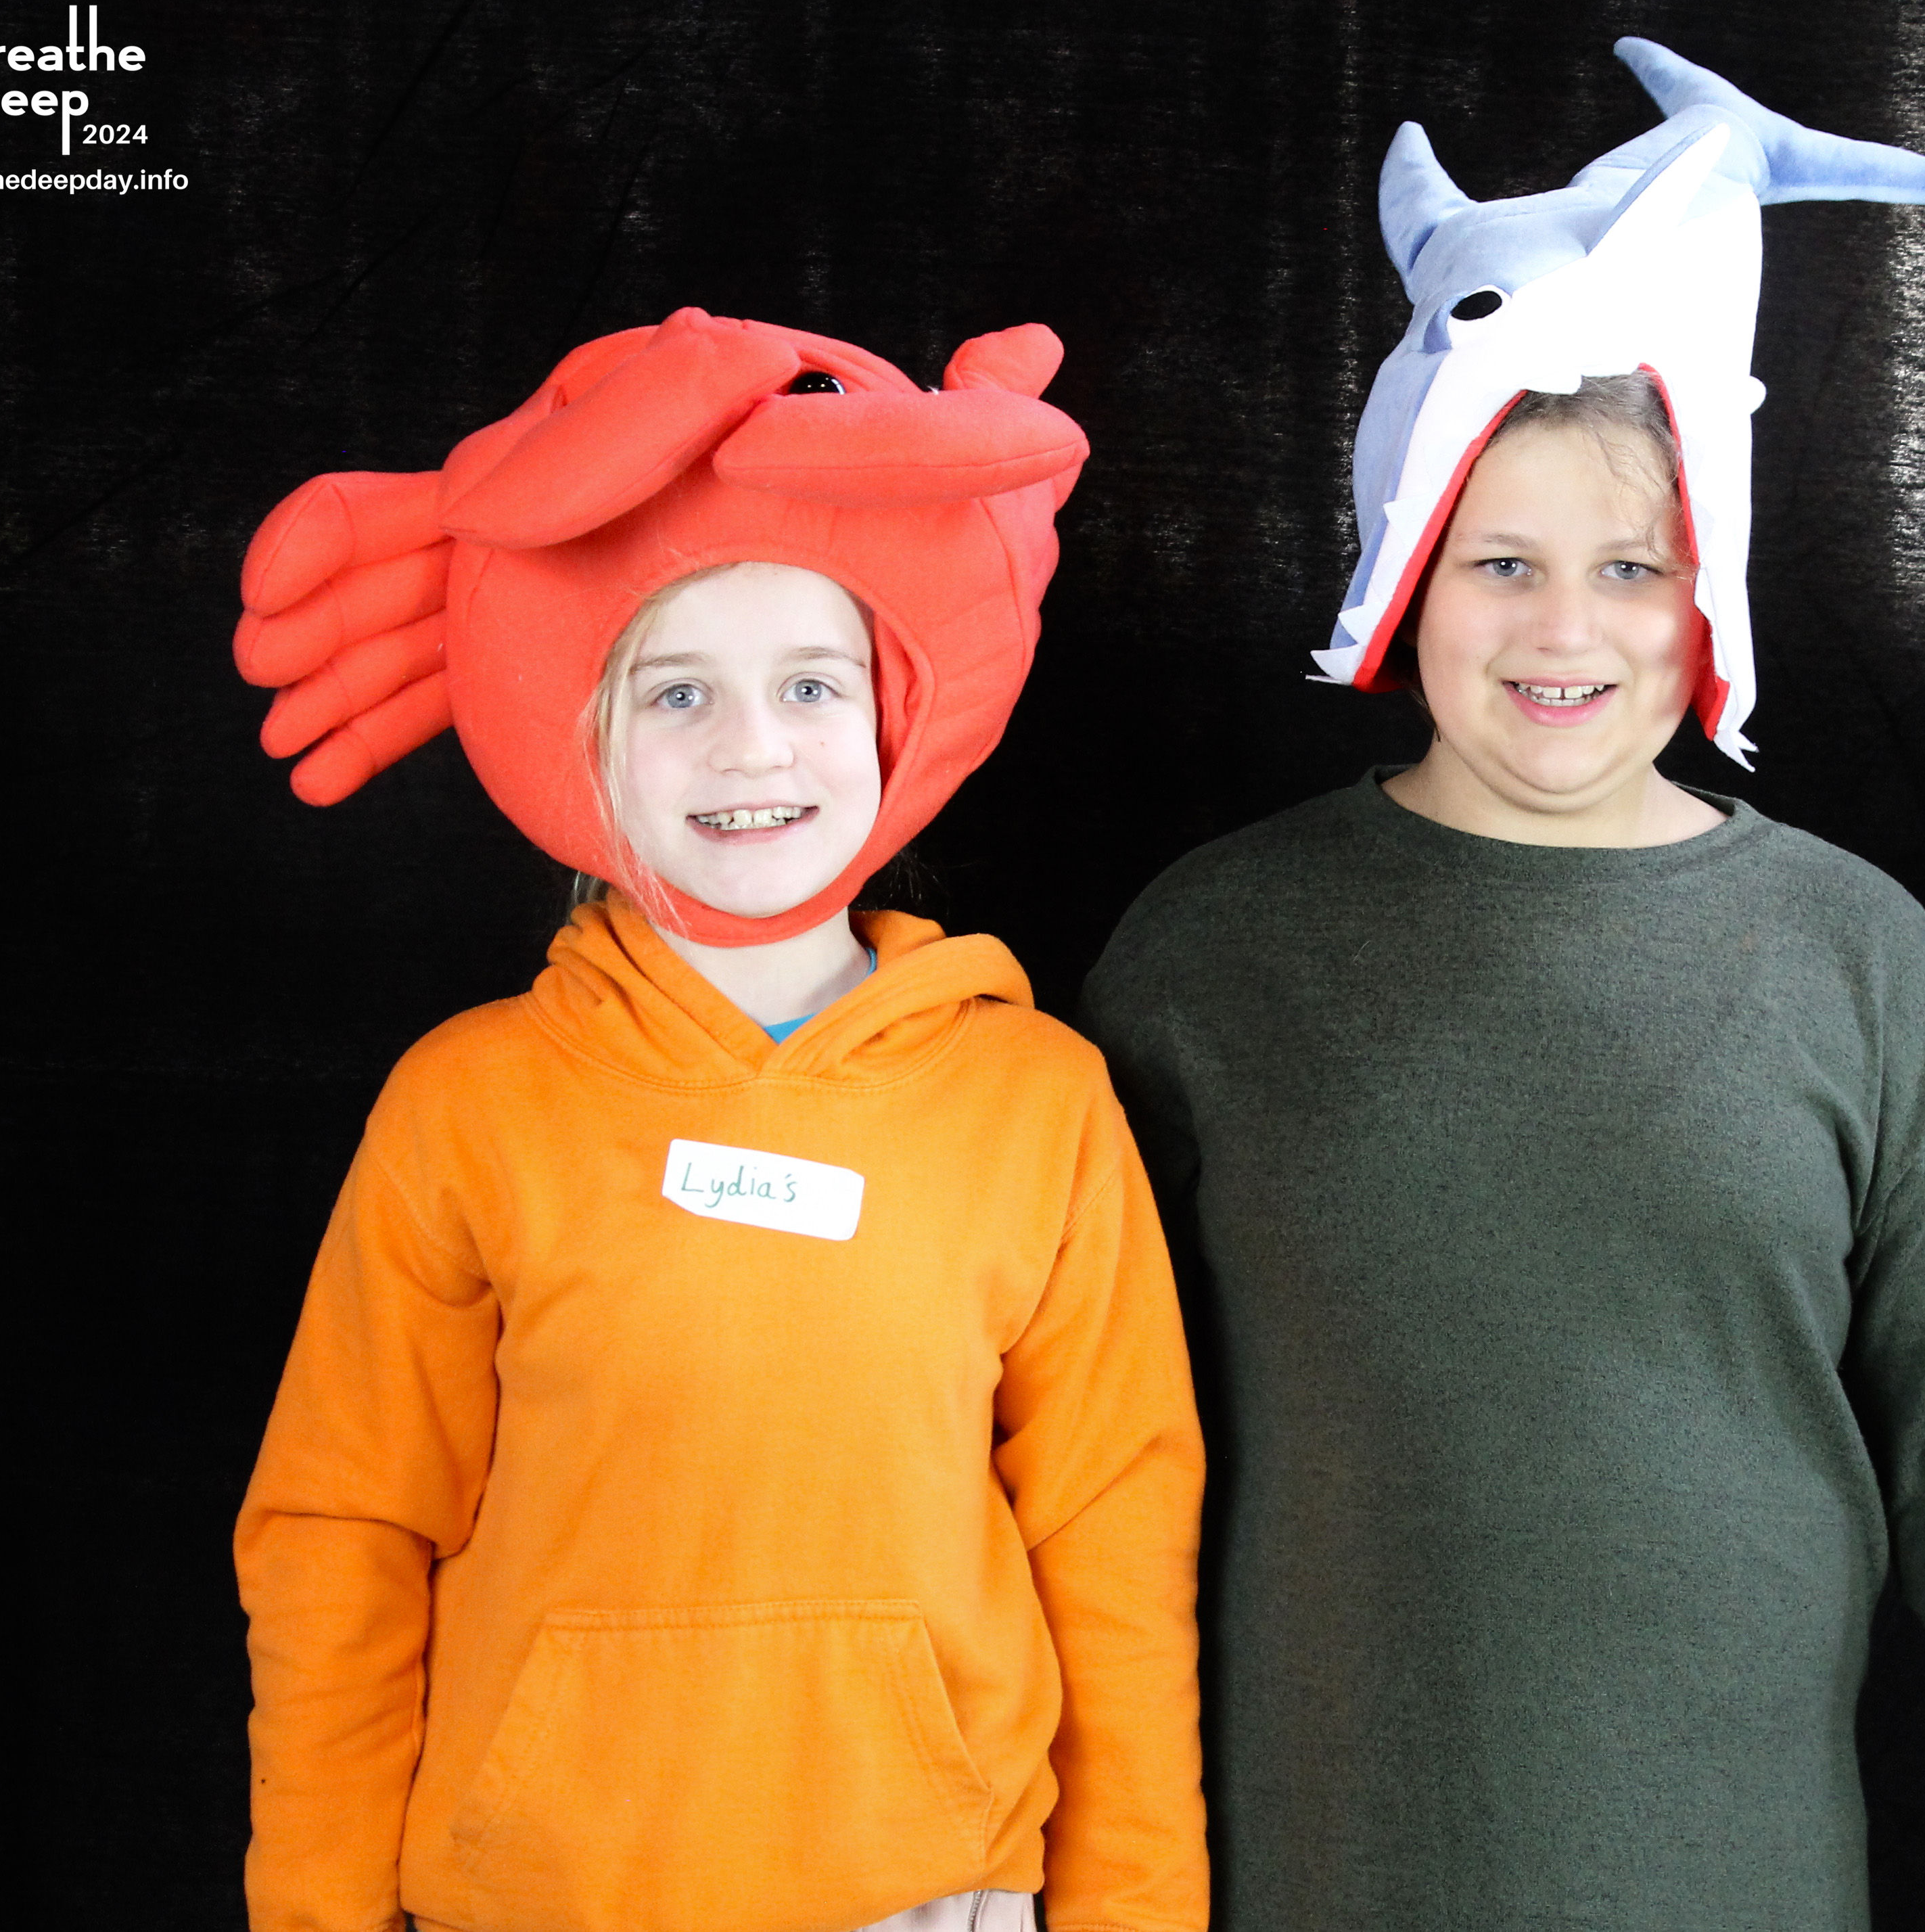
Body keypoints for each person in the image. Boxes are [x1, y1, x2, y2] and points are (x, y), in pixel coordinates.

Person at [1082, 46, 1925, 1931]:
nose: (1564, 629)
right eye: (1500, 561)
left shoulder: (1856, 961)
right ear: (1405, 568)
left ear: (1704, 586)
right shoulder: (1210, 953)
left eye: (1630, 567)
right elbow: (1072, 1486)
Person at [231, 310, 1205, 1932]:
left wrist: (1136, 1913)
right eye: (674, 689)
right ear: (583, 730)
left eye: (809, 681)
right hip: (538, 1901)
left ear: (894, 710)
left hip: (928, 1894)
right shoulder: (468, 1105)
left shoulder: (1036, 1105)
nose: (751, 745)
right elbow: (343, 1533)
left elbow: (1117, 1535)